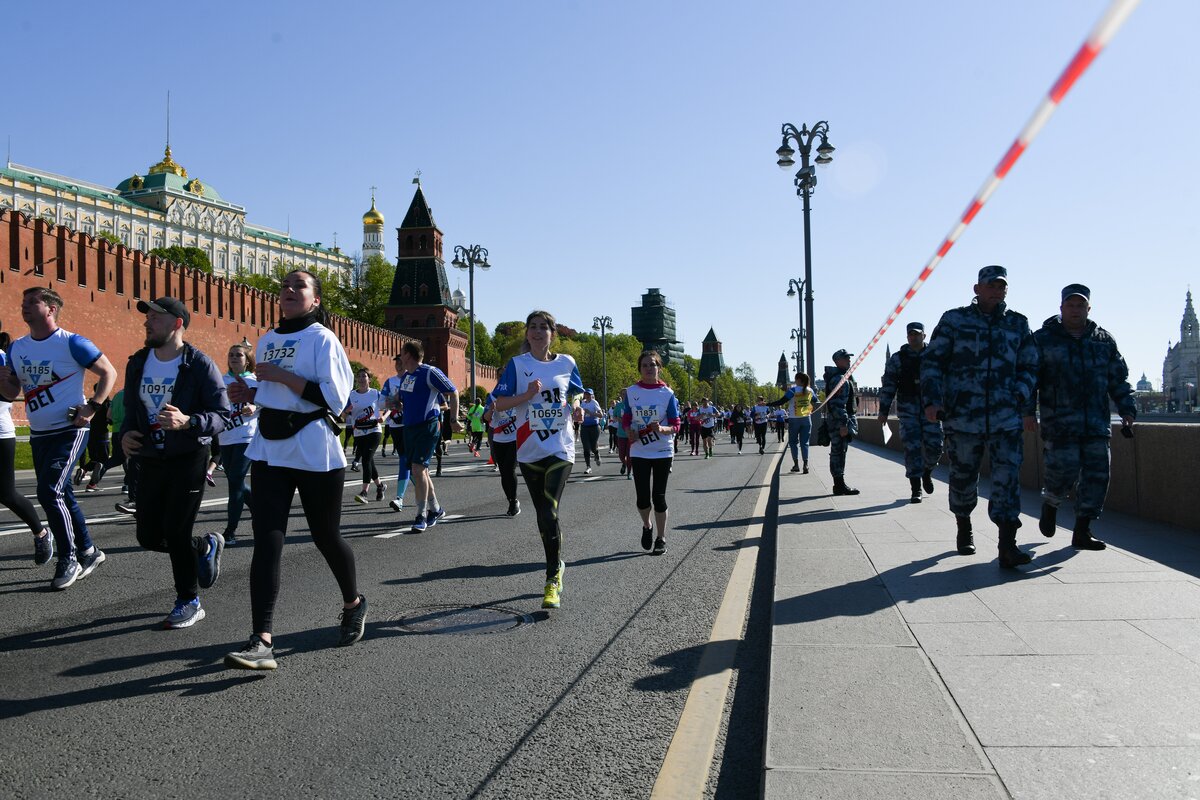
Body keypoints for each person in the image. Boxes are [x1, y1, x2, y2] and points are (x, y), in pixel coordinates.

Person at [224, 270, 366, 670]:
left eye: (299, 286)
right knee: (267, 540)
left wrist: (283, 377)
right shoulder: (267, 340)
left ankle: (353, 602)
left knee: (325, 536)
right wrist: (251, 392)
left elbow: (335, 400)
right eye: (284, 285)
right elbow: (275, 393)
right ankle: (261, 639)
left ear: (316, 299)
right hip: (269, 447)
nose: (288, 290)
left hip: (313, 447)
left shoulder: (322, 338)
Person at [120, 297, 230, 628]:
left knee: (176, 531)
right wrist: (126, 435)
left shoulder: (199, 365)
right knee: (148, 536)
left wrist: (189, 422)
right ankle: (205, 546)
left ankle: (189, 601)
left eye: (155, 317)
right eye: (147, 317)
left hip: (188, 456)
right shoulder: (138, 362)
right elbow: (130, 411)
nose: (147, 322)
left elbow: (222, 415)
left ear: (177, 324)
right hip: (151, 457)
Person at [922, 265, 1038, 567]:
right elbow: (932, 362)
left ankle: (1007, 545)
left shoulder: (1018, 324)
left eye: (1002, 287)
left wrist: (1020, 394)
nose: (997, 291)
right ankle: (964, 526)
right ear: (977, 289)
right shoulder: (954, 320)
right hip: (963, 416)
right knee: (963, 478)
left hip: (1005, 417)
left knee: (1007, 478)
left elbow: (1030, 366)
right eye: (991, 286)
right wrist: (933, 402)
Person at [2, 287, 116, 589]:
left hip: (70, 430)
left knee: (49, 491)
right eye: (23, 302)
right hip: (40, 433)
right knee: (62, 493)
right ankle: (89, 550)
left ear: (51, 309)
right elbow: (12, 392)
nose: (24, 307)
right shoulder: (18, 348)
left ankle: (69, 557)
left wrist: (92, 407)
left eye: (31, 303)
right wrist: (4, 383)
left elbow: (109, 373)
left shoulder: (72, 343)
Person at [1025, 284, 1137, 550]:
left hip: (1096, 423)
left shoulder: (1103, 340)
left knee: (1098, 475)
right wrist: (1028, 412)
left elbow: (1118, 378)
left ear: (1088, 308)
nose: (1075, 310)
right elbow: (1029, 377)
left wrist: (1127, 409)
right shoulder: (1043, 339)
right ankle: (1051, 503)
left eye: (1080, 305)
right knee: (1062, 471)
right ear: (1061, 308)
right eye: (1070, 305)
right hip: (1059, 422)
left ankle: (1083, 530)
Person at [490, 310, 584, 609]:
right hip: (529, 448)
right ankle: (557, 565)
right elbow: (500, 403)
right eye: (532, 327)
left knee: (549, 510)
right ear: (527, 334)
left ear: (552, 333)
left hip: (560, 447)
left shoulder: (567, 363)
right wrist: (527, 395)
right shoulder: (518, 365)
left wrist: (578, 406)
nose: (537, 331)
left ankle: (552, 577)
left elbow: (577, 394)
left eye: (543, 327)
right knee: (544, 515)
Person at [878, 322, 944, 504]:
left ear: (924, 335)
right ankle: (916, 489)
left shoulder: (935, 356)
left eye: (917, 334)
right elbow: (889, 385)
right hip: (908, 410)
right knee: (912, 448)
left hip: (931, 409)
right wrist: (883, 411)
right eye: (910, 335)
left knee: (935, 447)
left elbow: (946, 381)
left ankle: (927, 471)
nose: (913, 337)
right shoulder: (898, 359)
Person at [397, 341, 459, 532]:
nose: (399, 357)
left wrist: (453, 419)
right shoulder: (406, 376)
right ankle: (436, 509)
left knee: (417, 469)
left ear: (408, 354)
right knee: (420, 471)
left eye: (401, 353)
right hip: (409, 428)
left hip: (428, 426)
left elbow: (453, 392)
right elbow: (403, 401)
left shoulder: (430, 372)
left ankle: (420, 515)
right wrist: (394, 403)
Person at [623, 351, 680, 555]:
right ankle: (647, 526)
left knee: (659, 496)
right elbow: (627, 417)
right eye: (645, 365)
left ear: (659, 368)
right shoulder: (631, 391)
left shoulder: (667, 393)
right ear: (640, 369)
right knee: (642, 498)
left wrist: (662, 429)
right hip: (639, 450)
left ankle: (661, 537)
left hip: (662, 451)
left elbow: (676, 424)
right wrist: (629, 430)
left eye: (653, 365)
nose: (649, 368)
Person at [0, 337, 48, 555]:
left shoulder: (2, 358)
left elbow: (9, 393)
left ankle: (41, 533)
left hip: (0, 434)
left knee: (6, 493)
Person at [218, 342, 258, 545]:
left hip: (246, 437)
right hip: (226, 437)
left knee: (235, 481)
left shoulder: (253, 381)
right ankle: (259, 511)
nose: (234, 358)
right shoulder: (220, 380)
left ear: (247, 360)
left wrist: (254, 405)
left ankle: (230, 531)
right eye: (231, 355)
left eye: (239, 355)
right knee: (237, 482)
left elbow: (266, 400)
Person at [344, 368, 386, 504]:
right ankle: (380, 486)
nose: (362, 379)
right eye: (359, 377)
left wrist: (383, 417)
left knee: (366, 459)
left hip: (374, 430)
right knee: (369, 461)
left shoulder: (375, 393)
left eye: (364, 376)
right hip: (359, 432)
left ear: (369, 379)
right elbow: (344, 411)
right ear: (357, 380)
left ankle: (364, 492)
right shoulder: (352, 395)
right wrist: (344, 413)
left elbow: (389, 406)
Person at [824, 349, 861, 496]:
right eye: (845, 358)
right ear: (837, 361)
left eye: (848, 358)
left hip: (836, 422)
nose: (849, 360)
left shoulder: (840, 377)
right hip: (839, 423)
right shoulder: (840, 379)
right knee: (838, 452)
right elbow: (838, 405)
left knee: (838, 452)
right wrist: (843, 424)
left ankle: (839, 485)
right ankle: (839, 485)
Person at [767, 372, 816, 473]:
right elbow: (816, 400)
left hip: (794, 419)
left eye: (795, 379)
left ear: (798, 380)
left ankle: (796, 465)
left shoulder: (793, 391)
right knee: (804, 443)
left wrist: (767, 404)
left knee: (793, 442)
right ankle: (806, 465)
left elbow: (781, 401)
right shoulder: (810, 390)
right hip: (807, 419)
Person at [379, 355, 411, 512]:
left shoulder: (412, 379)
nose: (398, 365)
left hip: (410, 424)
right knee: (407, 461)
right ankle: (425, 493)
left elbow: (413, 402)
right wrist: (394, 404)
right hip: (395, 425)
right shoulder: (390, 381)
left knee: (405, 459)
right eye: (397, 363)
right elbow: (380, 401)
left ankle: (399, 498)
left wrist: (399, 404)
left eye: (401, 363)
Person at [482, 392, 521, 516]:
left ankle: (514, 501)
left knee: (509, 469)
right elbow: (486, 418)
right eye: (499, 376)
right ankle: (510, 500)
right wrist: (491, 409)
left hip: (515, 438)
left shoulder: (518, 393)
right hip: (498, 439)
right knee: (503, 473)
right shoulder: (492, 396)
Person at [578, 388, 604, 474]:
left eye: (589, 394)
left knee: (593, 447)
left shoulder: (594, 402)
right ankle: (588, 467)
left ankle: (596, 453)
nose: (587, 396)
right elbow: (579, 414)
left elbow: (601, 415)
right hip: (584, 427)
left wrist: (591, 413)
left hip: (594, 427)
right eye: (586, 394)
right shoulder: (582, 403)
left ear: (592, 395)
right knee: (586, 448)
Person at [612, 393, 632, 479]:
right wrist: (619, 419)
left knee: (629, 455)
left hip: (631, 433)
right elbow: (614, 416)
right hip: (621, 433)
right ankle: (624, 463)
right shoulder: (619, 405)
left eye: (627, 394)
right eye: (623, 394)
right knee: (621, 455)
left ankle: (629, 472)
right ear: (621, 396)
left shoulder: (632, 404)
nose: (625, 395)